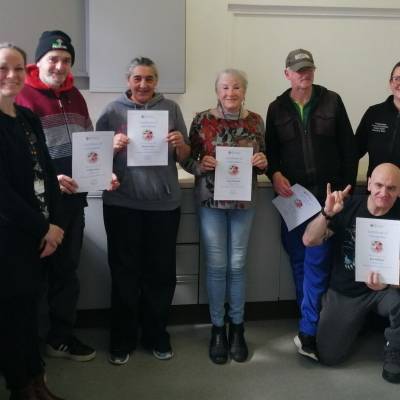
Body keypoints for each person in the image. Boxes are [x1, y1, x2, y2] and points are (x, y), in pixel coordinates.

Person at [96, 56, 190, 365]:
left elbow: (186, 157)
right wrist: (112, 146)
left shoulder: (171, 109)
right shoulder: (111, 111)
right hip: (122, 204)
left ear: (156, 81)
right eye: (137, 78)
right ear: (128, 81)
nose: (143, 84)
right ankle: (122, 339)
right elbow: (94, 159)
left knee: (161, 275)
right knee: (124, 274)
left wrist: (179, 144)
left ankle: (156, 336)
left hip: (163, 206)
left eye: (149, 78)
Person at [265, 48, 358, 360]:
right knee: (300, 262)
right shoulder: (276, 108)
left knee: (324, 262)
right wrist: (275, 173)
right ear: (287, 74)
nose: (305, 75)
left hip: (328, 199)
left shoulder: (332, 101)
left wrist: (345, 192)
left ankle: (315, 327)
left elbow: (349, 149)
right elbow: (271, 153)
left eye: (309, 69)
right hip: (295, 199)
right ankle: (309, 325)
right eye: (298, 70)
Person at [15, 30, 96, 362]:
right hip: (33, 206)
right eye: (53, 58)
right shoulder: (21, 95)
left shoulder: (76, 96)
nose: (60, 65)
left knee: (66, 273)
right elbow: (19, 155)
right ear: (39, 61)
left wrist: (103, 170)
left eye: (66, 60)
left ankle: (60, 337)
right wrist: (49, 180)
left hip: (72, 203)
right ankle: (25, 347)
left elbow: (90, 141)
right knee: (30, 277)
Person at [182, 68, 267, 364]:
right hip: (210, 202)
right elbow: (188, 160)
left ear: (244, 91)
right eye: (225, 88)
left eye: (236, 88)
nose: (230, 93)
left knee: (238, 264)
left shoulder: (256, 120)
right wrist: (200, 163)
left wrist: (262, 160)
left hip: (244, 202)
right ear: (217, 91)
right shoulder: (202, 120)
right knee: (217, 265)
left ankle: (238, 328)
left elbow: (262, 161)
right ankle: (218, 329)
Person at [0, 43, 65, 400]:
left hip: (38, 235)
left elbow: (47, 172)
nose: (11, 75)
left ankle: (37, 381)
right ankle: (21, 387)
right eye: (3, 68)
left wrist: (54, 225)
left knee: (30, 313)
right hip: (10, 237)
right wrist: (44, 228)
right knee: (12, 316)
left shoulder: (27, 118)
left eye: (18, 69)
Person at [302, 163, 400, 384]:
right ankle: (352, 318)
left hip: (386, 291)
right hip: (346, 290)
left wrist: (390, 283)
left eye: (392, 188)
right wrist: (326, 213)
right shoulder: (347, 206)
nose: (384, 193)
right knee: (329, 356)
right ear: (368, 183)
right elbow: (309, 240)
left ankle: (395, 349)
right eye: (379, 185)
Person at [356, 61, 400, 180]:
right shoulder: (374, 113)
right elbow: (354, 153)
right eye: (397, 78)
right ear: (390, 83)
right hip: (377, 192)